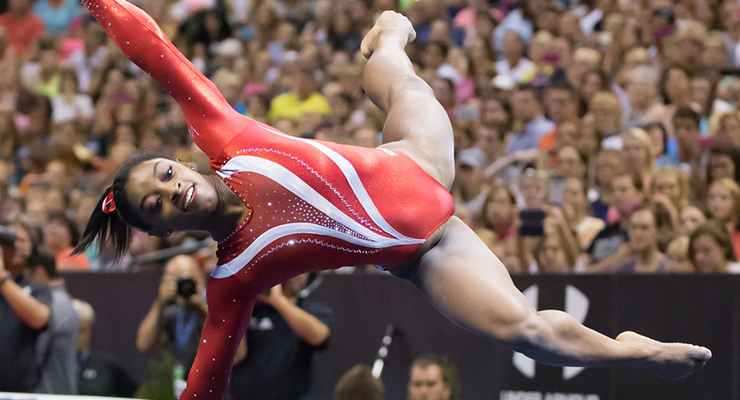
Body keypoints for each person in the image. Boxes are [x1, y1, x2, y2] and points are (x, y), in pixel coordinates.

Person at [72, 6, 711, 400]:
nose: (169, 189)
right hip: (427, 252)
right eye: (155, 205)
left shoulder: (224, 137)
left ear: (179, 159)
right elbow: (205, 385)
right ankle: (633, 351)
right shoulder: (235, 278)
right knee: (528, 333)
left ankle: (388, 33)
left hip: (417, 156)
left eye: (161, 173)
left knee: (396, 72)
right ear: (160, 231)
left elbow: (154, 52)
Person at [228, 273, 331, 400]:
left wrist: (278, 300)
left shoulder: (310, 309)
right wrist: (240, 307)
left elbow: (320, 337)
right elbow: (236, 356)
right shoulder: (247, 310)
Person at [0, 222, 52, 392]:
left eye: (21, 240)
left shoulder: (38, 288)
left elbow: (39, 319)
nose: (15, 245)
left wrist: (2, 279)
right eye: (8, 240)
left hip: (19, 392)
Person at [27, 251, 80, 394]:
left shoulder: (56, 303)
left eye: (27, 275)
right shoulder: (60, 299)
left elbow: (33, 354)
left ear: (39, 272)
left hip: (50, 392)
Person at [73, 299, 139, 397]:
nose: (76, 336)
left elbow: (134, 392)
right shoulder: (49, 364)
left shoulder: (107, 366)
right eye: (72, 330)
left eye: (81, 330)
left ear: (90, 331)